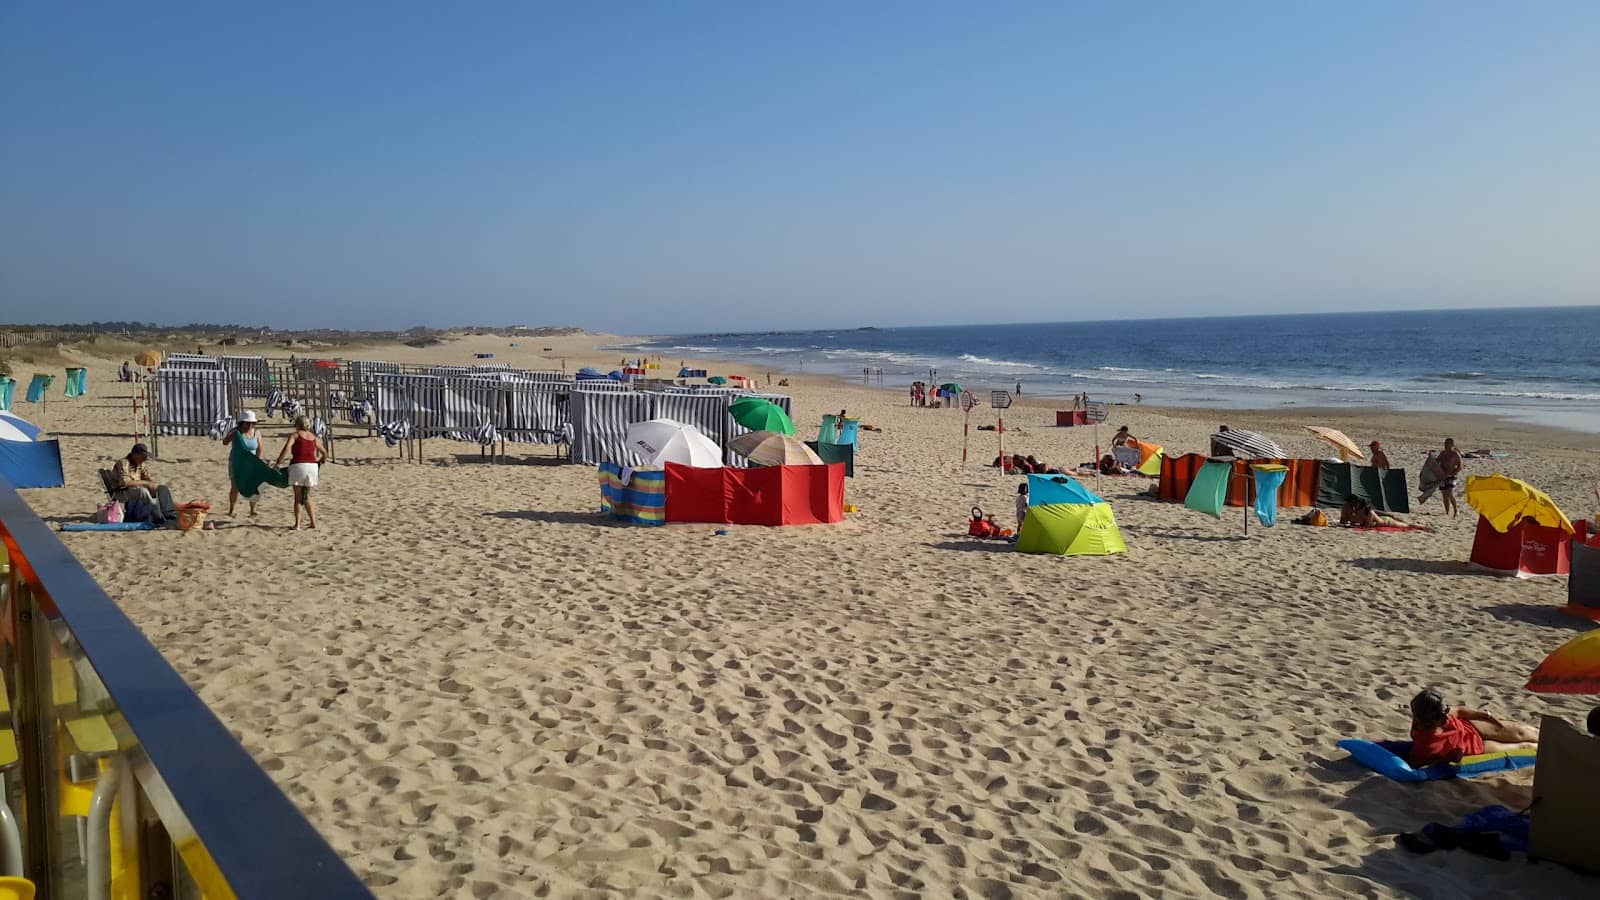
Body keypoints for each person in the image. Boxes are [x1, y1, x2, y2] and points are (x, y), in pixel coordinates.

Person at [1408, 688, 1538, 767]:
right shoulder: (1425, 745)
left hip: (1471, 726)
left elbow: (1459, 711)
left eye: (1446, 711)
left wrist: (1485, 715)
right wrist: (1449, 758)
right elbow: (1418, 765)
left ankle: (1552, 736)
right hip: (1475, 747)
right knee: (1523, 747)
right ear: (1427, 721)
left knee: (1521, 731)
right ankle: (1549, 749)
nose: (1447, 718)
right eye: (1441, 718)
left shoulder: (1437, 712)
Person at [274, 416, 328, 529]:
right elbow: (324, 452)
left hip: (298, 465)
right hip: (312, 467)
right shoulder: (314, 437)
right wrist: (321, 461)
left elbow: (286, 449)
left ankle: (297, 524)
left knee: (298, 497)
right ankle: (313, 522)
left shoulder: (295, 435)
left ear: (297, 424)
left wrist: (278, 463)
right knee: (307, 496)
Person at [112, 443, 177, 524]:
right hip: (122, 492)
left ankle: (169, 514)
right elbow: (124, 482)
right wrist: (146, 483)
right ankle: (156, 515)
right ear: (135, 455)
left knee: (162, 488)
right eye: (143, 456)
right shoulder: (123, 463)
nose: (145, 459)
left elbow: (147, 478)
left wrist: (153, 484)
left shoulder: (140, 464)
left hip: (135, 490)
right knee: (143, 491)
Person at [225, 411, 264, 517]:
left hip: (251, 463)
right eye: (248, 423)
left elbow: (260, 449)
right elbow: (225, 442)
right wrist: (230, 435)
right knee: (235, 487)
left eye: (252, 423)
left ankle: (253, 509)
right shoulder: (236, 432)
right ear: (242, 423)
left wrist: (258, 462)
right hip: (236, 463)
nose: (250, 425)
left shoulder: (256, 433)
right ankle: (231, 510)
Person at [1438, 437, 1463, 517]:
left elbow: (1459, 467)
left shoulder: (1455, 454)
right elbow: (1437, 463)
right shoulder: (1442, 453)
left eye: (1448, 444)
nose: (1446, 445)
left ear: (1452, 445)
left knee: (1449, 493)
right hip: (1442, 475)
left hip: (1452, 475)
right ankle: (1447, 512)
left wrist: (1452, 474)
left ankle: (1455, 510)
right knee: (1444, 495)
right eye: (1445, 443)